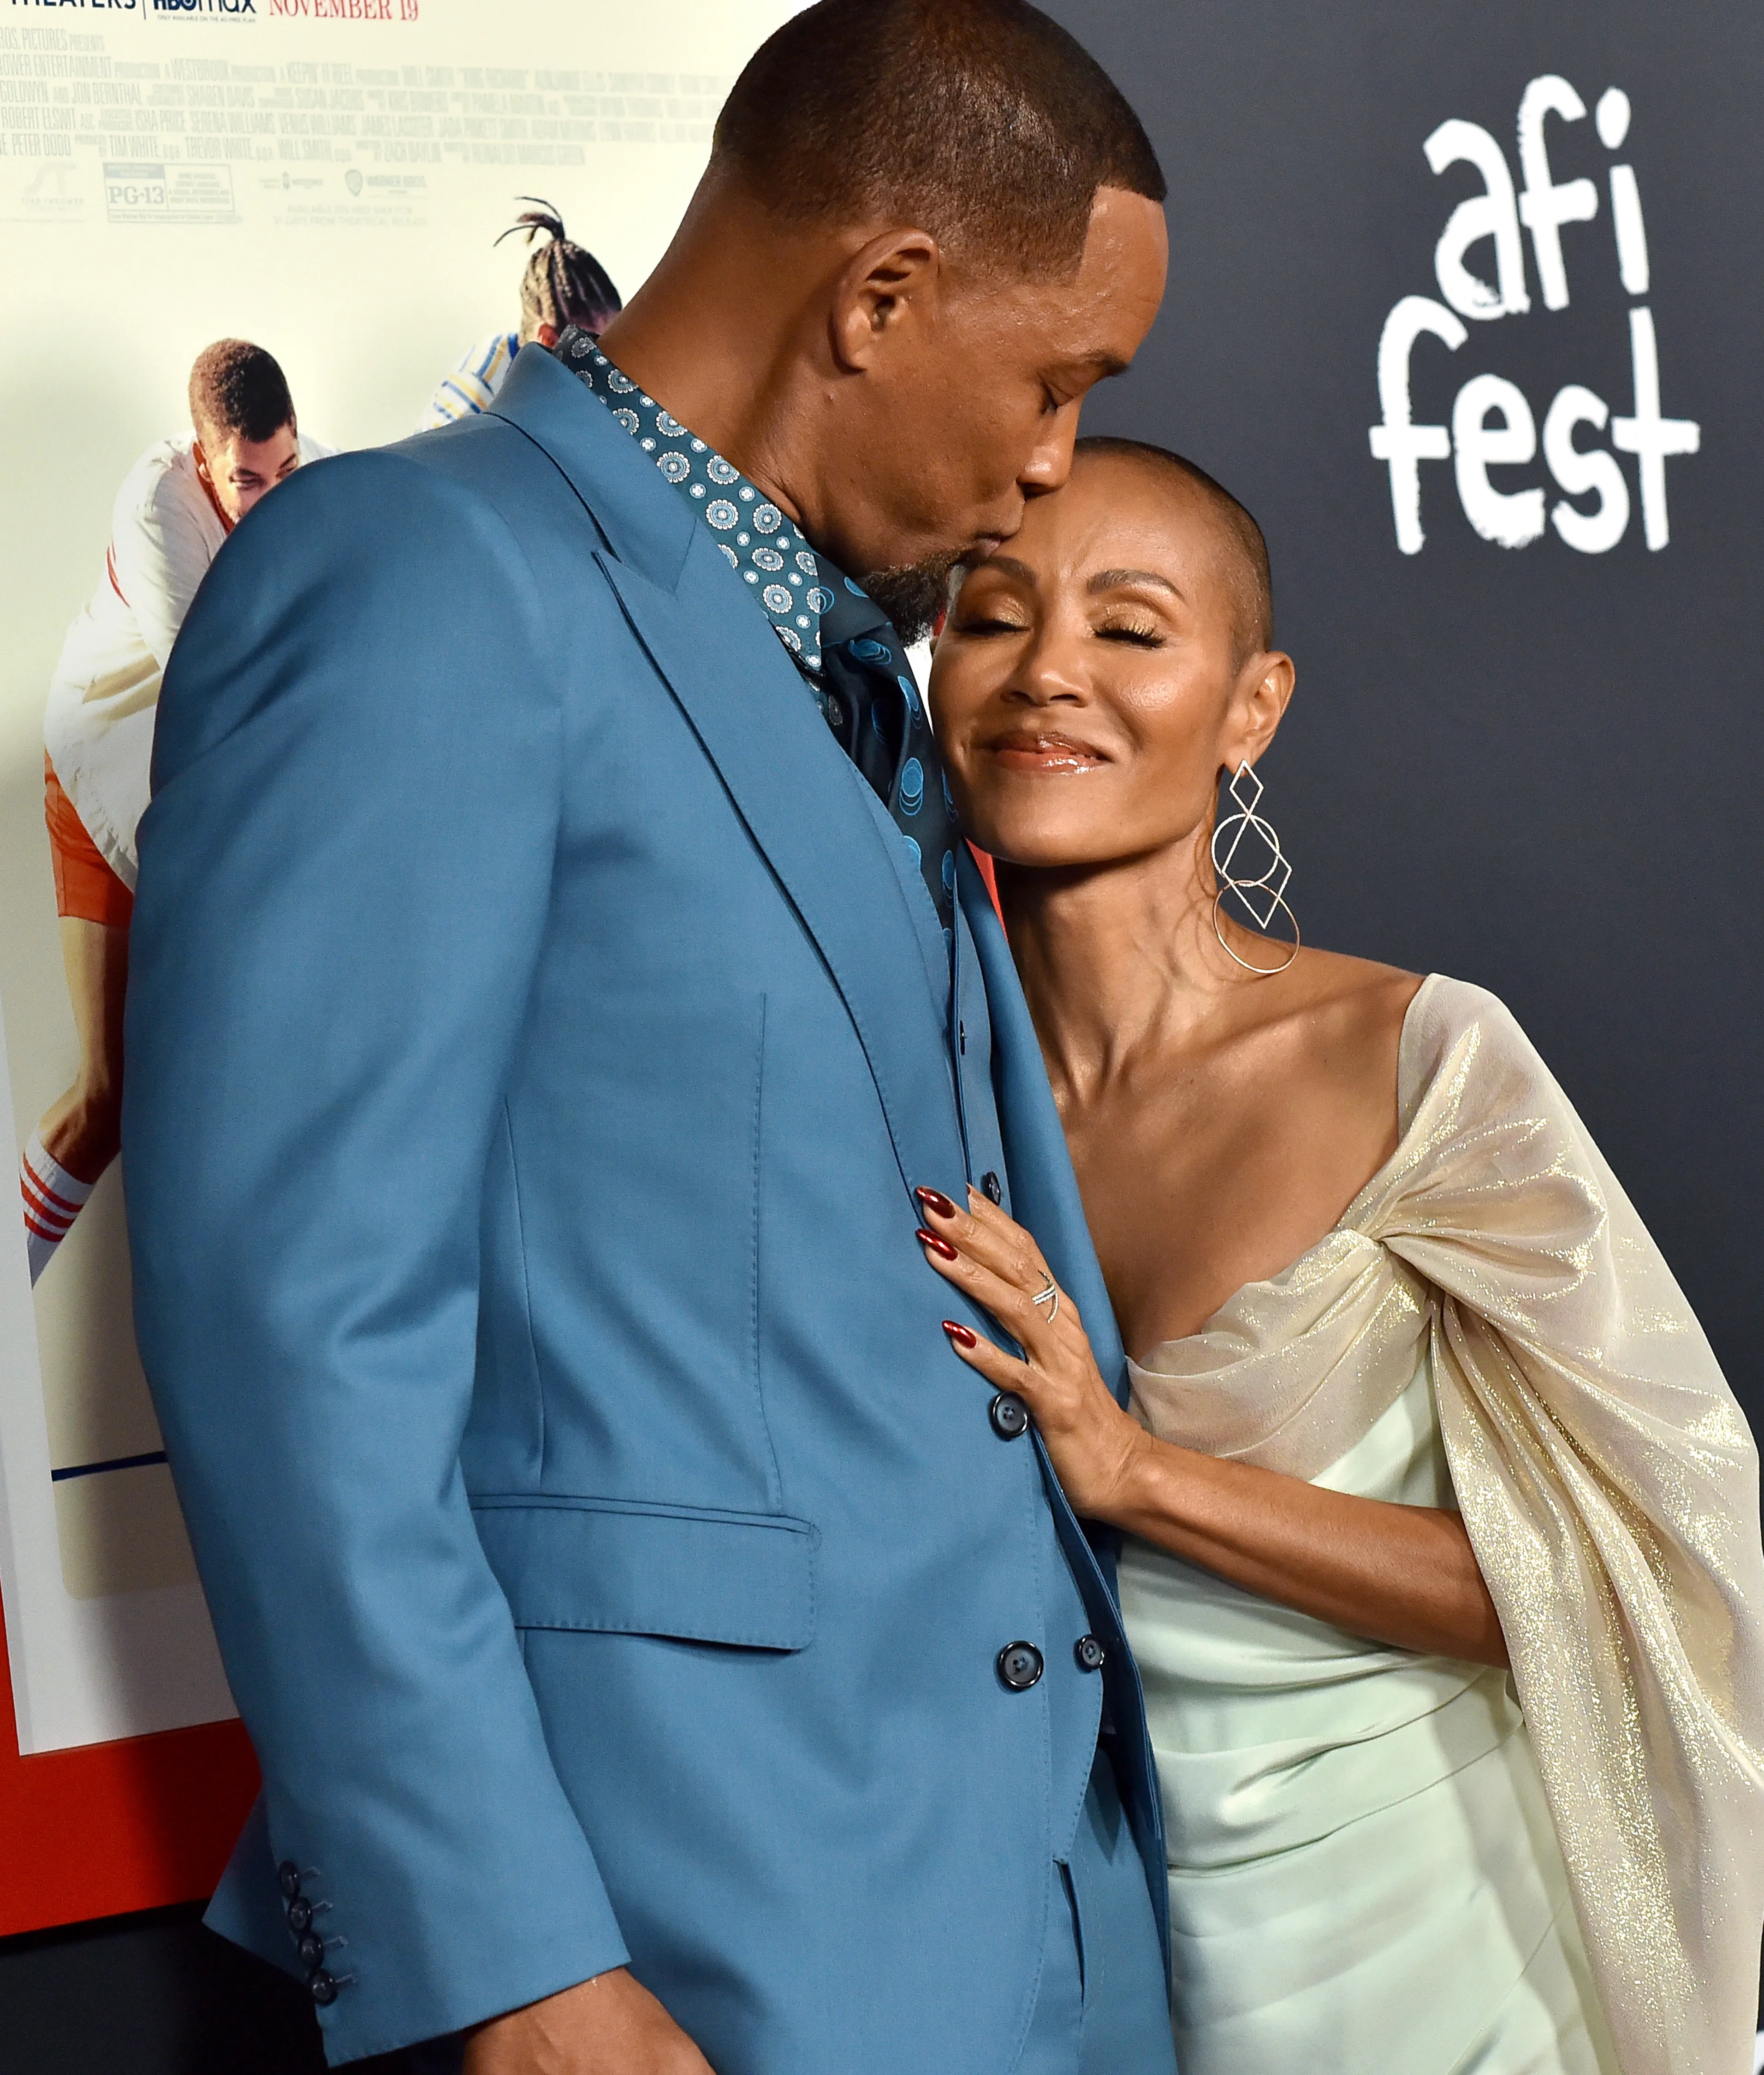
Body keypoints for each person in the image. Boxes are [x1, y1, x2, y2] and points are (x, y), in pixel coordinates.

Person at [122, 6, 1171, 2071]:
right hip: (682, 1935)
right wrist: (502, 1958)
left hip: (1032, 1920)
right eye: (1056, 382)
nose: (1053, 462)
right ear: (879, 297)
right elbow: (296, 1320)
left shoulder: (850, 646)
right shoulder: (416, 575)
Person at [918, 437, 1764, 2075]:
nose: (1047, 673)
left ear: (1251, 707)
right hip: (1070, 1965)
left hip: (1434, 1954)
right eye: (991, 617)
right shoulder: (912, 1094)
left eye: (1126, 627)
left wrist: (1139, 1473)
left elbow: (1608, 1575)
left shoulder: (1416, 1066)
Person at [24, 341, 327, 1284]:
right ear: (202, 457)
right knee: (107, 1099)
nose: (270, 499)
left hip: (205, 788)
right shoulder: (156, 505)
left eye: (285, 472)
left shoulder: (308, 476)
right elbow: (220, 696)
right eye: (246, 480)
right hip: (106, 768)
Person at [419, 201, 623, 429]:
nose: (607, 367)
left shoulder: (551, 382)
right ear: (548, 340)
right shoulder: (476, 395)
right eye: (595, 351)